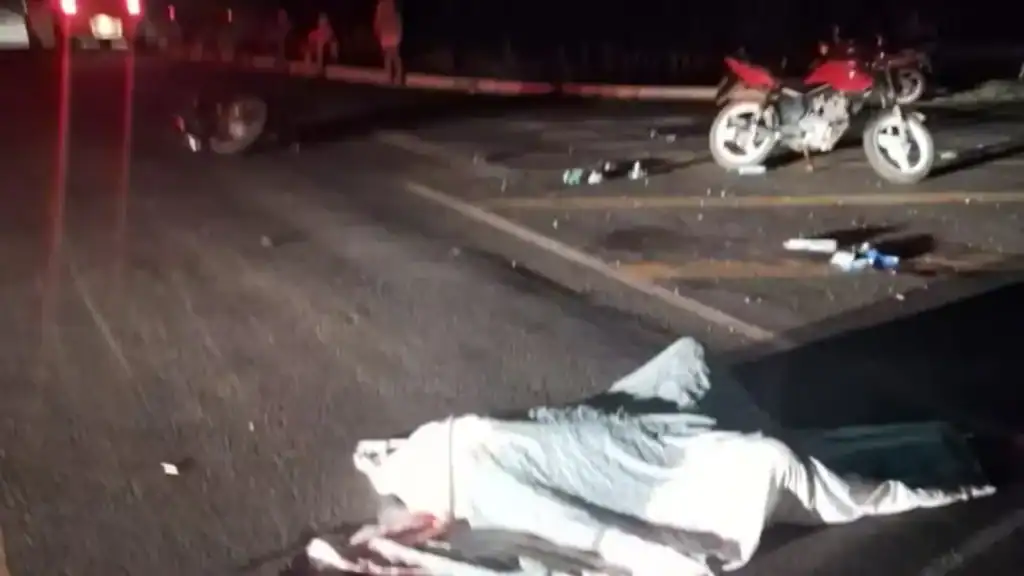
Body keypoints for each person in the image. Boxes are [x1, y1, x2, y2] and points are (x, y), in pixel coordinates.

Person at [374, 0, 403, 84]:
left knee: (390, 56)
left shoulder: (382, 6)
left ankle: (391, 76)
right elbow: (398, 19)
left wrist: (377, 31)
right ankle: (396, 77)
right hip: (392, 33)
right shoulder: (392, 5)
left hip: (388, 33)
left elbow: (377, 21)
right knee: (394, 56)